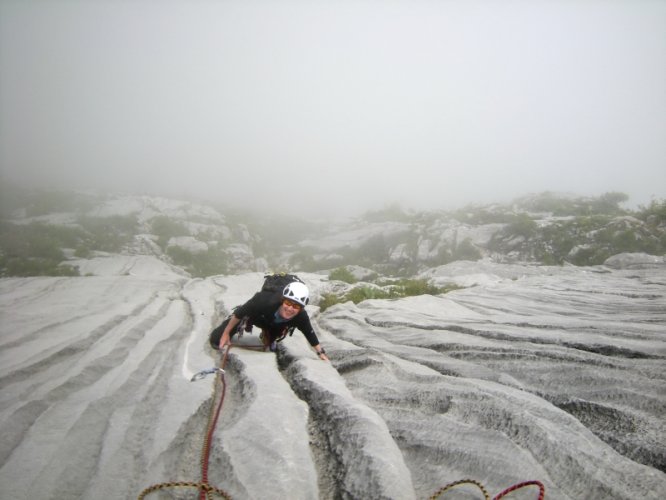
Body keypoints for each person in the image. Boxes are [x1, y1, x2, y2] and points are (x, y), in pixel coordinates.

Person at [210, 281, 330, 361]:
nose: (290, 308)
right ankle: (264, 331)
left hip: (275, 325)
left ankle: (268, 334)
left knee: (269, 343)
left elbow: (309, 332)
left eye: (296, 306)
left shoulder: (300, 316)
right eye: (288, 303)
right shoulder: (263, 300)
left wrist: (320, 353)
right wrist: (226, 333)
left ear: (301, 308)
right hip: (257, 316)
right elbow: (240, 313)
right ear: (282, 300)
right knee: (216, 340)